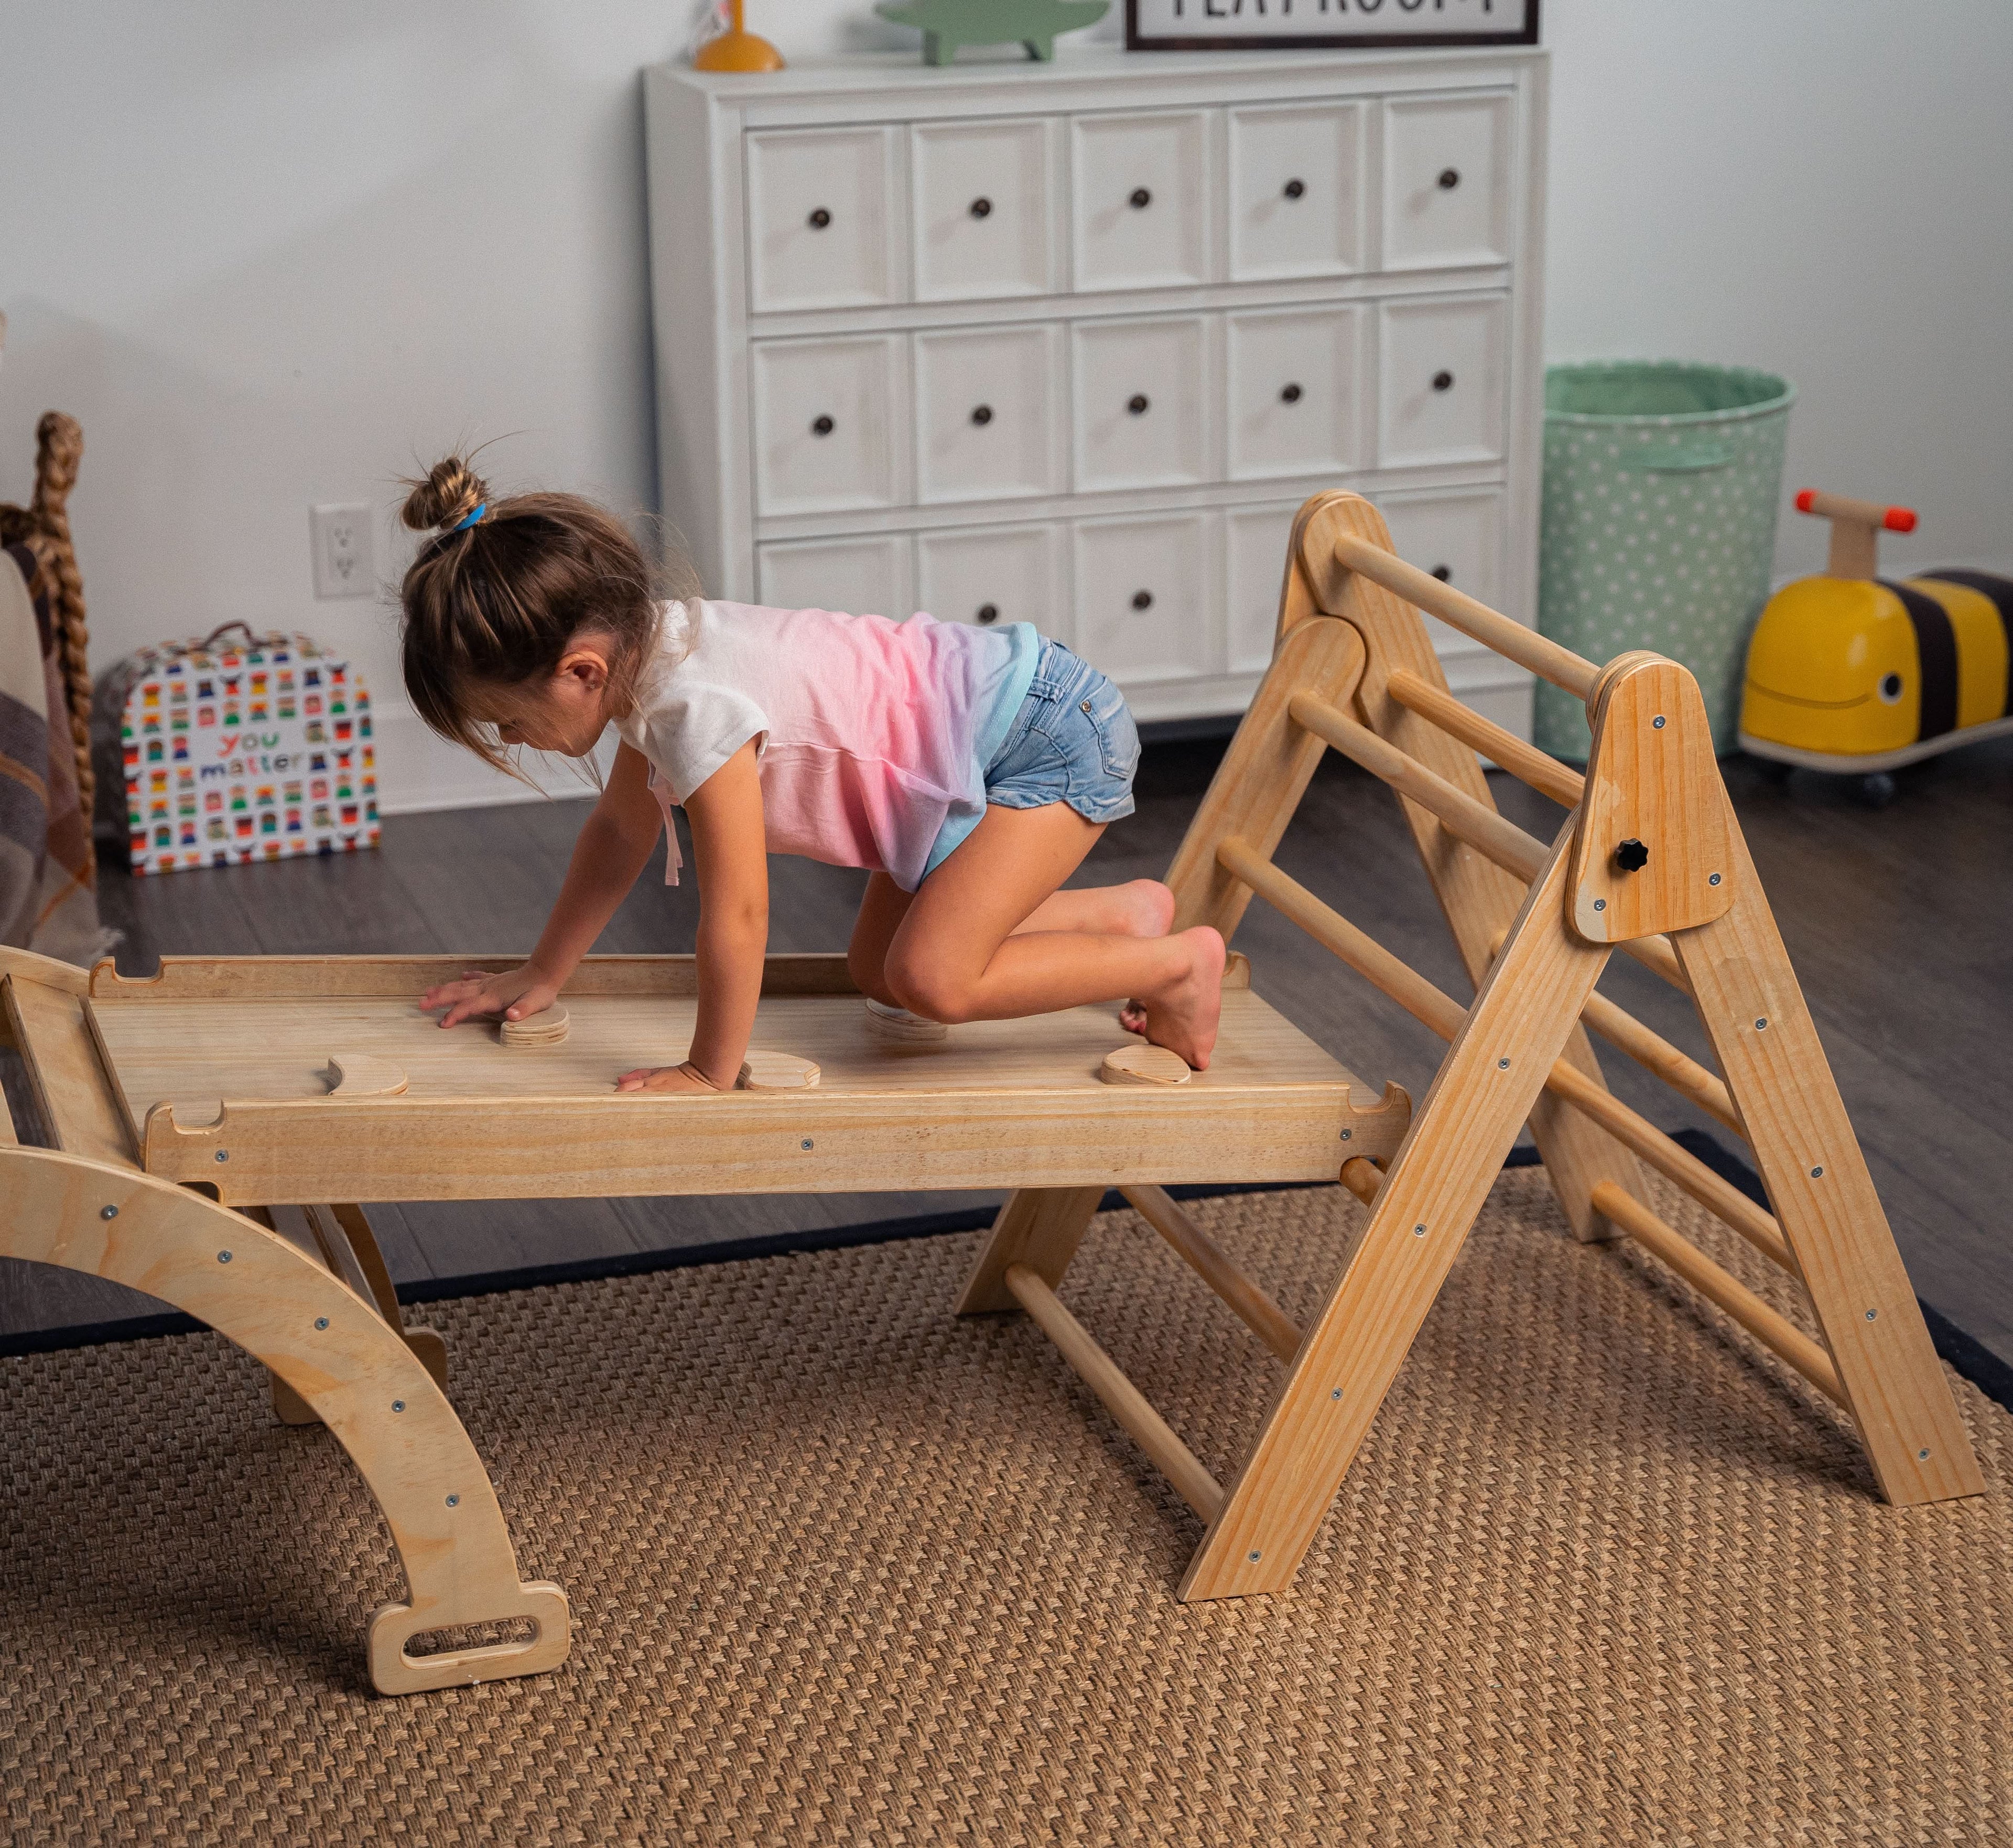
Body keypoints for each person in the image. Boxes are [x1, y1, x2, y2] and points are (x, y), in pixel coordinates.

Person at [398, 456, 1225, 1093]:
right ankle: (1126, 918)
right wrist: (543, 971)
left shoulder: (695, 709)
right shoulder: (650, 653)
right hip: (973, 733)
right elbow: (620, 832)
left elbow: (741, 912)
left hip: (1043, 732)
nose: (510, 737)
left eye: (506, 718)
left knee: (931, 978)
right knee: (880, 969)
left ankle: (1178, 966)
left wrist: (709, 1069)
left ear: (581, 671)